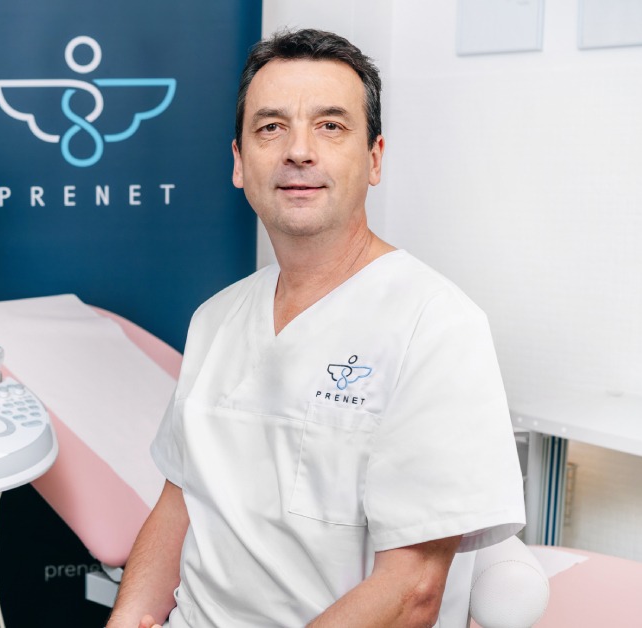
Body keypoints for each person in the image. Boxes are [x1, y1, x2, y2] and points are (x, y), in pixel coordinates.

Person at [107, 29, 526, 628]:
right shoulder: (216, 318)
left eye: (330, 126)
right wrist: (127, 618)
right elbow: (180, 502)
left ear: (374, 158)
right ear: (239, 162)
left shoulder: (435, 326)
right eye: (271, 127)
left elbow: (413, 590)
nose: (298, 151)